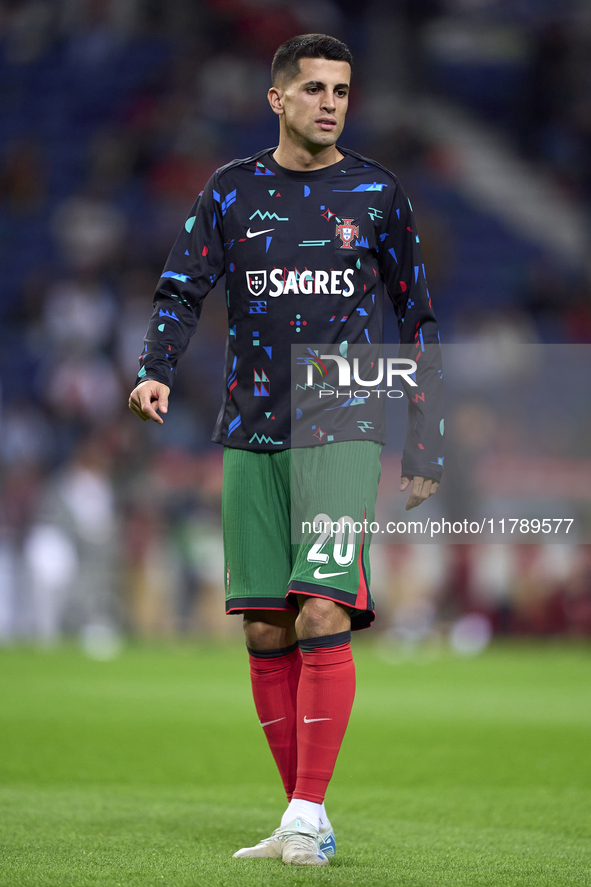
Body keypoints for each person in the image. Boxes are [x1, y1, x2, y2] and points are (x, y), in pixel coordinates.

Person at [128, 33, 443, 866]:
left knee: (321, 608)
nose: (330, 101)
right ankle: (305, 813)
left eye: (340, 88)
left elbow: (416, 317)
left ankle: (303, 815)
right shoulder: (233, 191)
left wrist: (426, 435)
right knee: (266, 629)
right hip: (249, 425)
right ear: (277, 99)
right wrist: (156, 369)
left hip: (342, 420)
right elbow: (182, 283)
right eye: (312, 88)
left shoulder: (378, 193)